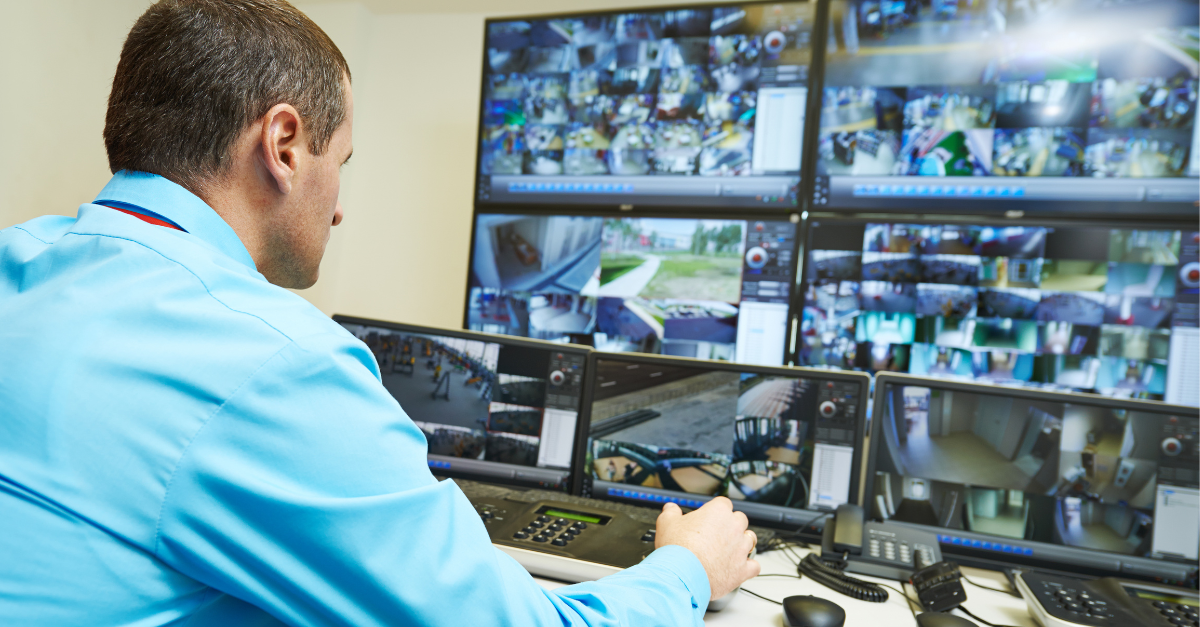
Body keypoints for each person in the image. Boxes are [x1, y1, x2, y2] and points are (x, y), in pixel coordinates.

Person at [0, 1, 760, 625]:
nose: (338, 211)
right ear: (286, 144)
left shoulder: (18, 262)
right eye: (344, 163)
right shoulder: (273, 360)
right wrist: (688, 566)